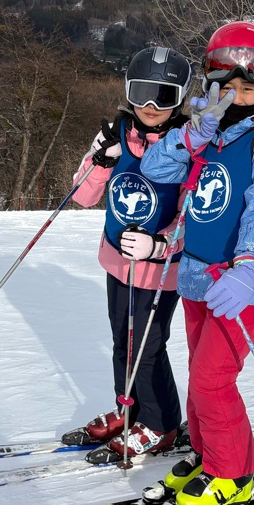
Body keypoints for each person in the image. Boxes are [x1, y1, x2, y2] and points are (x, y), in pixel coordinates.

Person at [138, 21, 254, 505]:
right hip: (195, 277)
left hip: (242, 285)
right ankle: (214, 454)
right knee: (199, 374)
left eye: (247, 89)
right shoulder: (205, 136)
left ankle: (233, 473)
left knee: (212, 379)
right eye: (225, 89)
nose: (235, 98)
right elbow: (155, 171)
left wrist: (249, 264)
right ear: (209, 88)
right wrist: (192, 133)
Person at [61, 46, 194, 464]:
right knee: (124, 341)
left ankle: (160, 424)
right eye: (142, 92)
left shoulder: (189, 145)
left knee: (148, 347)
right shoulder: (117, 132)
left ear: (181, 99)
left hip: (160, 272)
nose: (151, 106)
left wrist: (159, 246)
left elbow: (196, 216)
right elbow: (82, 195)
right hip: (117, 262)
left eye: (164, 95)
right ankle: (130, 409)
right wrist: (100, 160)